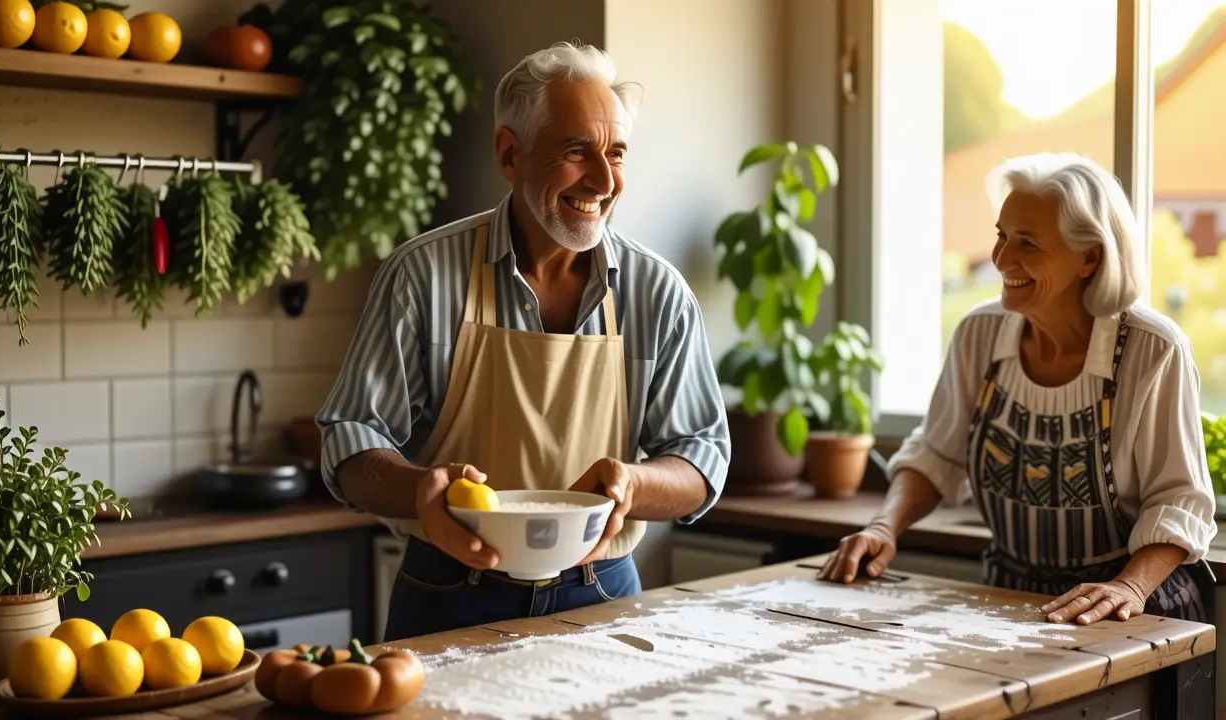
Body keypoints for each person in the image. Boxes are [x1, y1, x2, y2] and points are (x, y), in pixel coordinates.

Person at [315, 41, 730, 642]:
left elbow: (703, 457)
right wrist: (424, 491)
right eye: (576, 151)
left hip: (603, 595)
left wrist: (633, 484)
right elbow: (350, 441)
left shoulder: (658, 292)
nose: (606, 180)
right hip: (449, 594)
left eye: (616, 153)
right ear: (510, 154)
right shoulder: (423, 276)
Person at [819, 152, 1217, 625]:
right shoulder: (979, 333)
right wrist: (885, 526)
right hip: (1008, 604)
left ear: (1089, 256)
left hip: (1129, 612)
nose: (1001, 259)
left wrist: (1128, 586)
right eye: (1002, 236)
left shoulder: (1152, 350)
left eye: (1028, 244)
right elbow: (936, 454)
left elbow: (1178, 500)